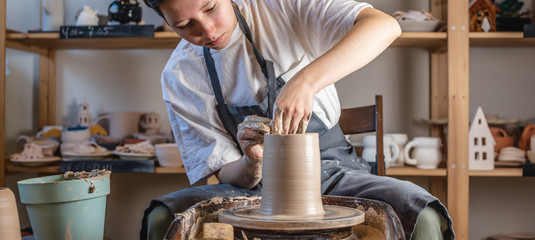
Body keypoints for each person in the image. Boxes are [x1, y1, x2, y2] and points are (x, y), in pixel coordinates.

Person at [140, 0, 455, 239]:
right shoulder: (181, 74)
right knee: (162, 216)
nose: (207, 31)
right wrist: (251, 163)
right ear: (166, 22)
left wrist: (305, 81)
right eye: (184, 25)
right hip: (253, 191)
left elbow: (385, 26)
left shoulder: (281, 8)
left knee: (423, 213)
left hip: (336, 174)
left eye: (210, 8)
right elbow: (226, 172)